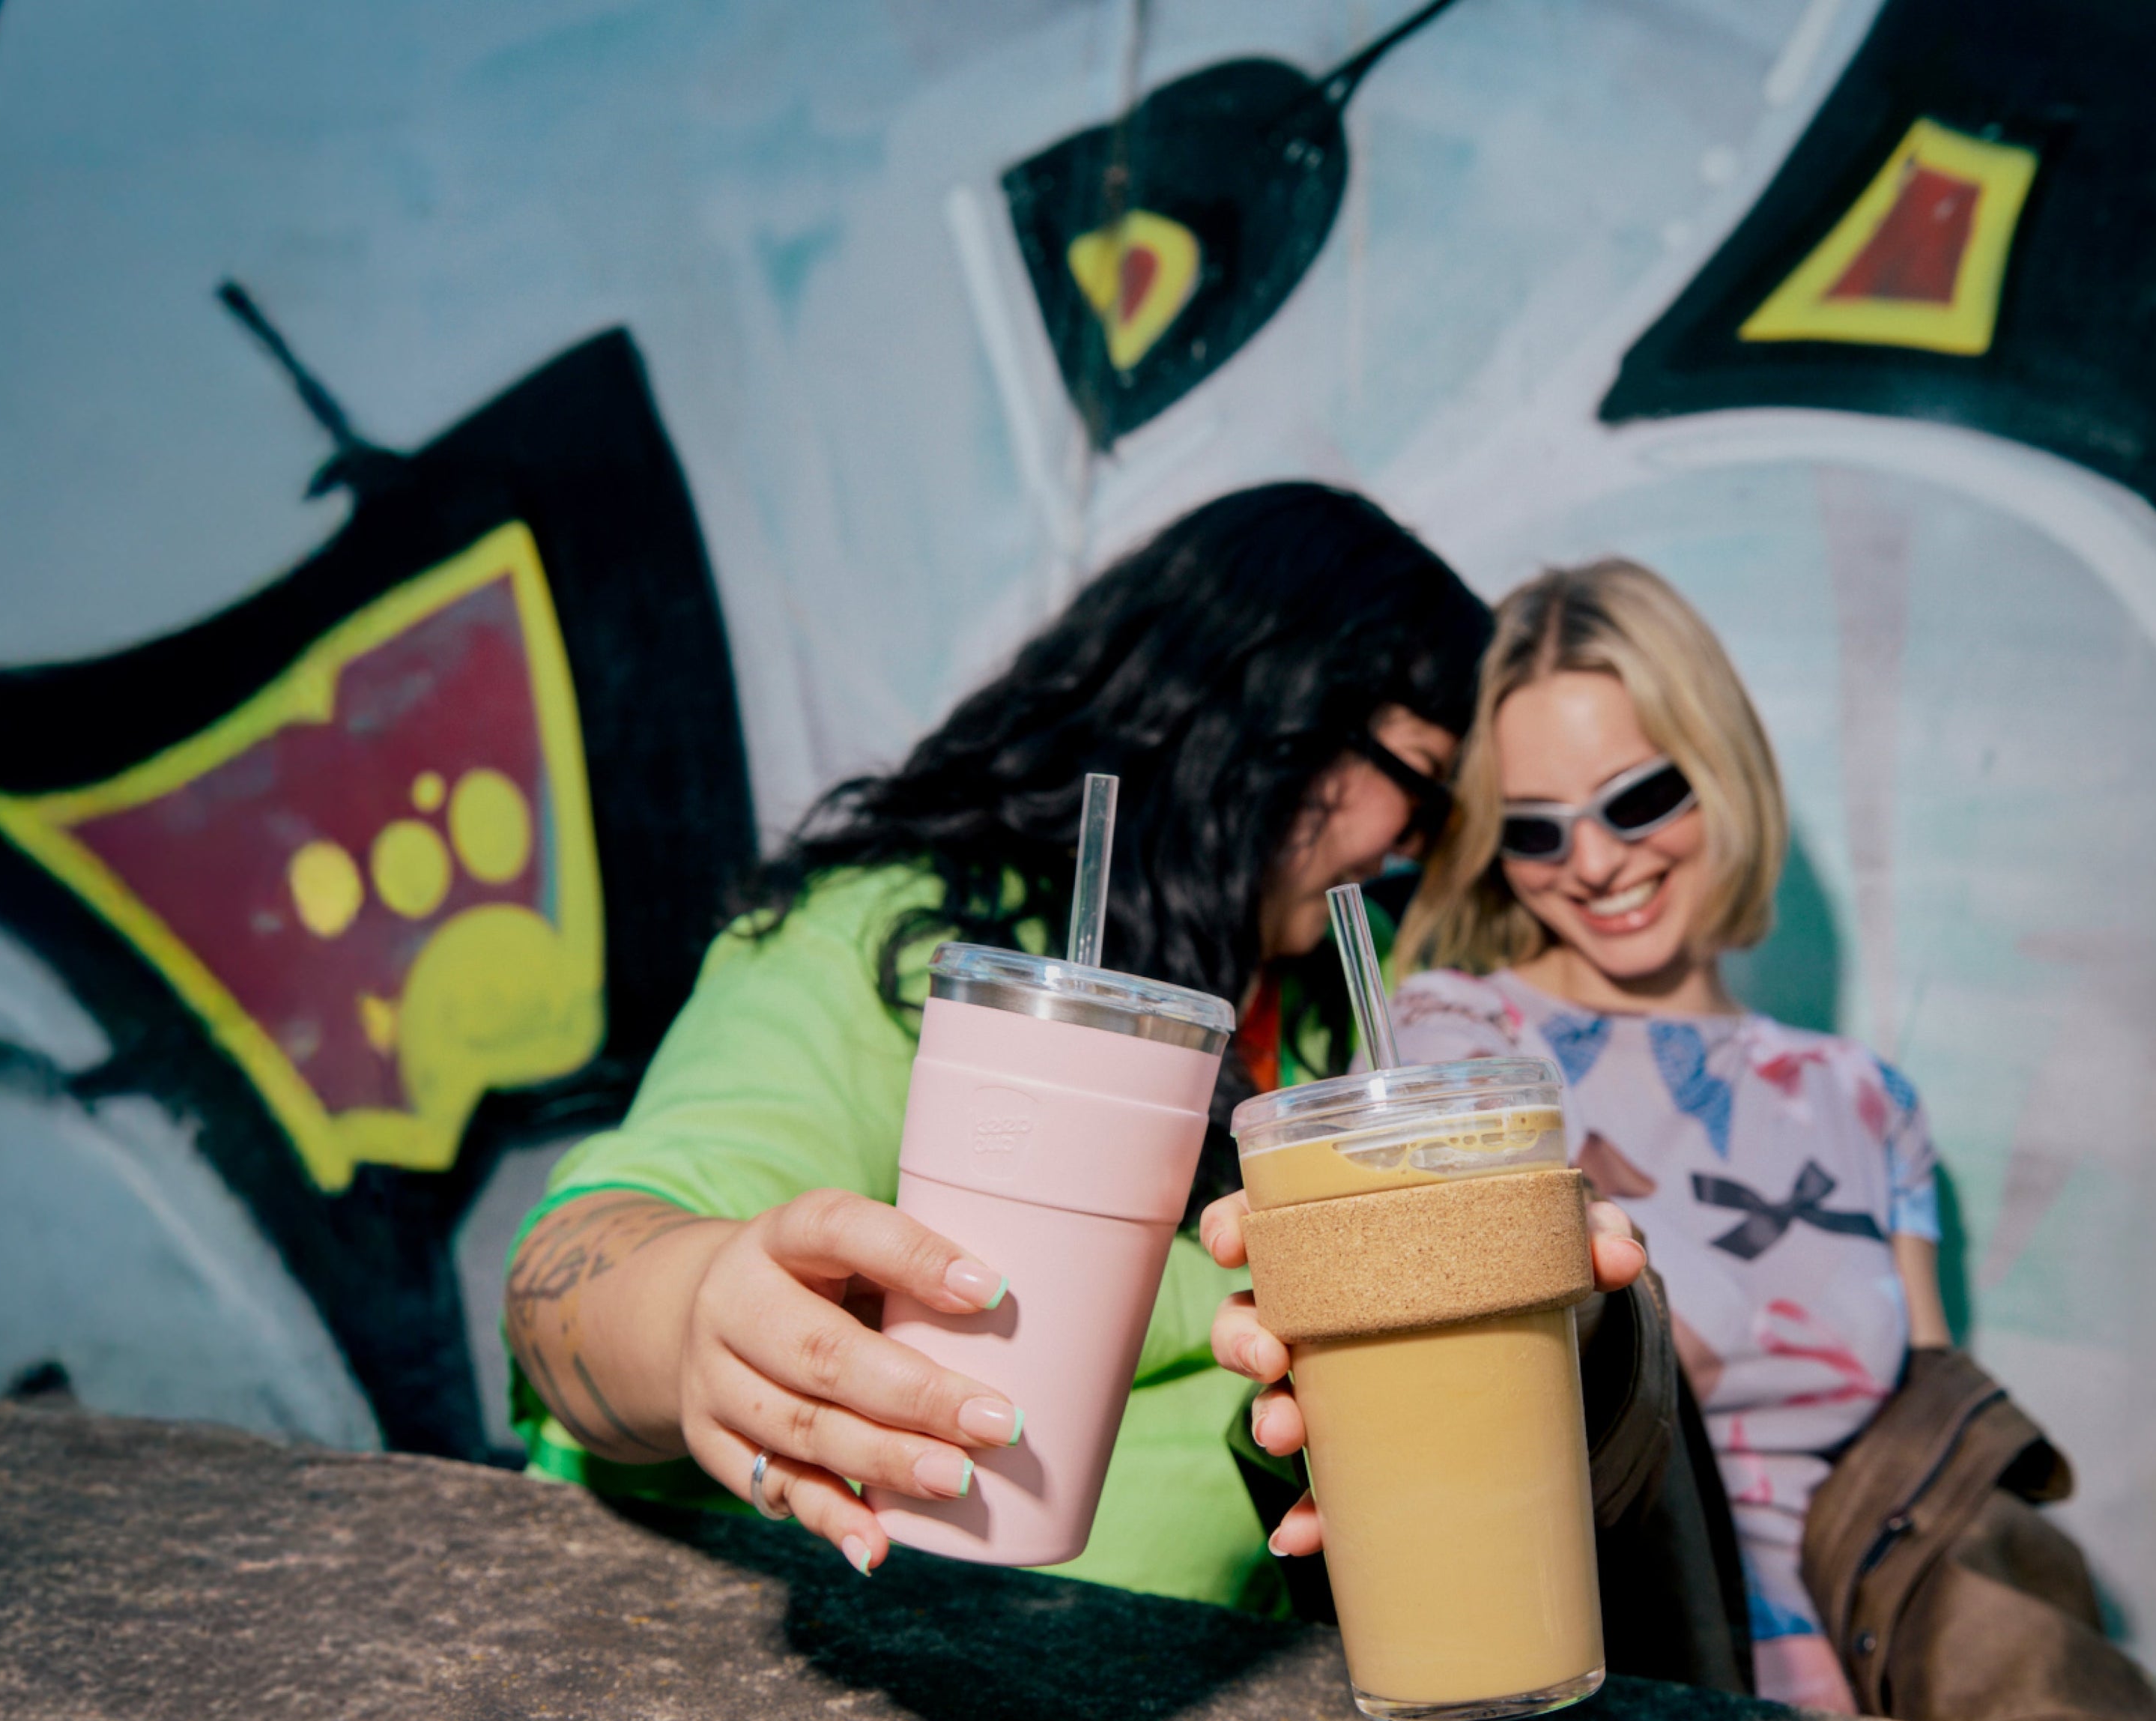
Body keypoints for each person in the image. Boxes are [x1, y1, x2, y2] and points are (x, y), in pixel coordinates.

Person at [500, 486, 1644, 1604]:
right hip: (836, 1657)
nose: (1420, 848)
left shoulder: (1346, 994)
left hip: (1199, 1704)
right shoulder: (896, 940)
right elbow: (581, 1268)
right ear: (1273, 717)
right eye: (1425, 788)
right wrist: (694, 1311)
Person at [1355, 560, 1948, 1714]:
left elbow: (1937, 1445)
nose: (1594, 864)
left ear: (1722, 767)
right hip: (1621, 1698)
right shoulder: (1461, 1036)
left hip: (1885, 1718)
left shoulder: (1868, 1101)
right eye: (1535, 831)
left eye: (1637, 800)